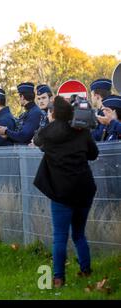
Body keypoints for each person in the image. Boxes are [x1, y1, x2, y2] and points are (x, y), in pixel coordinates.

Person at [33, 95, 99, 288]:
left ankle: (58, 278)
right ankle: (86, 270)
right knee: (79, 234)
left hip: (61, 193)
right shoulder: (81, 130)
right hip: (84, 189)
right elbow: (93, 154)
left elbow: (37, 140)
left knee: (60, 236)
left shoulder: (48, 132)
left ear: (53, 113)